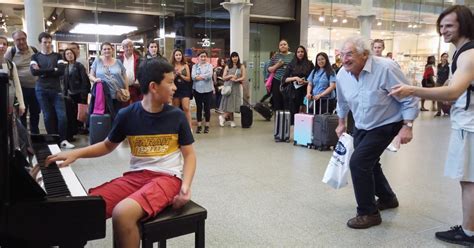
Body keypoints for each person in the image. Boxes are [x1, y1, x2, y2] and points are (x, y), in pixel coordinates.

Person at [46, 58, 196, 248]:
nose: (175, 87)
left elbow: (189, 155)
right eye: (170, 82)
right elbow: (108, 145)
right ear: (153, 86)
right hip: (136, 177)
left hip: (167, 178)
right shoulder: (127, 115)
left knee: (122, 213)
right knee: (82, 209)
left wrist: (186, 186)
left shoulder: (176, 117)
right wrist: (76, 154)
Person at [389, 5, 474, 246]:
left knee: (469, 180)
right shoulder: (462, 52)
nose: (443, 30)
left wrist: (412, 90)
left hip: (470, 125)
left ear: (464, 25)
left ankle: (469, 233)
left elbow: (452, 92)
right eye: (441, 26)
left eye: (449, 26)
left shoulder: (468, 54)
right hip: (466, 122)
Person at [335, 36, 419, 229]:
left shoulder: (386, 68)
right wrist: (341, 123)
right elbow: (342, 101)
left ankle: (368, 213)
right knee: (370, 164)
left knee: (358, 163)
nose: (345, 59)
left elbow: (409, 98)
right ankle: (388, 198)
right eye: (342, 55)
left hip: (387, 123)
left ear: (365, 54)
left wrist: (408, 126)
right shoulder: (342, 74)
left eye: (350, 54)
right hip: (362, 123)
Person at [30, 32, 74, 149]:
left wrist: (43, 71)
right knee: (48, 116)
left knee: (62, 116)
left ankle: (63, 140)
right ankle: (53, 141)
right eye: (45, 42)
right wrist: (52, 69)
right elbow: (34, 72)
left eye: (49, 42)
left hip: (56, 90)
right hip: (41, 90)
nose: (48, 44)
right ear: (40, 43)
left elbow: (60, 71)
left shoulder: (58, 56)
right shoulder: (35, 57)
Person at [5, 30, 40, 134]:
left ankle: (35, 134)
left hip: (35, 88)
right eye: (18, 40)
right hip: (20, 90)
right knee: (21, 113)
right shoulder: (11, 52)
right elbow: (5, 66)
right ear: (14, 41)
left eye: (23, 39)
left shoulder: (34, 50)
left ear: (26, 38)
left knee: (35, 112)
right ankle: (23, 137)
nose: (21, 42)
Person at [89, 42, 129, 115]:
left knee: (118, 116)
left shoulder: (118, 62)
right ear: (101, 51)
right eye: (104, 49)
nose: (107, 51)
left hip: (118, 95)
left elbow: (125, 76)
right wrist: (95, 80)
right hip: (103, 96)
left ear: (112, 50)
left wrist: (127, 90)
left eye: (108, 49)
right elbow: (91, 75)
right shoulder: (97, 61)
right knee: (105, 118)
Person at [62, 48, 91, 139]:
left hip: (80, 93)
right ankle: (75, 129)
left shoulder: (79, 66)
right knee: (72, 113)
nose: (69, 55)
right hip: (70, 94)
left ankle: (83, 128)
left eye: (70, 53)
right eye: (67, 54)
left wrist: (84, 93)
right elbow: (65, 82)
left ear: (74, 54)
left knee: (81, 112)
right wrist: (65, 93)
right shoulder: (65, 67)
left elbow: (84, 80)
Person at [281, 45, 313, 124]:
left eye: (302, 52)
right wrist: (295, 78)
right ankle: (294, 129)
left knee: (305, 112)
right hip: (294, 92)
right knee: (294, 112)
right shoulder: (291, 64)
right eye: (298, 52)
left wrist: (305, 82)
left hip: (306, 90)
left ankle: (305, 129)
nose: (300, 53)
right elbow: (284, 79)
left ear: (304, 53)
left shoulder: (310, 64)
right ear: (296, 53)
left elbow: (313, 79)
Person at [218, 52, 246, 128]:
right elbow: (223, 77)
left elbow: (243, 77)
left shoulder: (241, 66)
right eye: (233, 57)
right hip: (228, 87)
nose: (235, 58)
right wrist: (230, 76)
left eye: (236, 56)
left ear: (238, 57)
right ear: (231, 58)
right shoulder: (228, 66)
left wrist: (237, 80)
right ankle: (224, 117)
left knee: (233, 104)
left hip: (236, 87)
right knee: (229, 104)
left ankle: (230, 120)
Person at [0, 35, 25, 116]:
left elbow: (17, 85)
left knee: (7, 127)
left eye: (4, 44)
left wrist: (21, 104)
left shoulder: (11, 65)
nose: (2, 46)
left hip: (8, 103)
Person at [267, 39, 293, 111]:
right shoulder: (275, 56)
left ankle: (287, 121)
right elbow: (269, 69)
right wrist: (277, 65)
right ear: (279, 47)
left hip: (289, 82)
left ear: (288, 46)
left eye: (285, 44)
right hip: (277, 81)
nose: (283, 46)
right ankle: (278, 121)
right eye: (281, 45)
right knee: (277, 103)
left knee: (287, 103)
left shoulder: (293, 55)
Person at [191, 51, 214, 134]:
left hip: (208, 90)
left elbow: (209, 75)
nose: (203, 58)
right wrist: (203, 76)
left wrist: (199, 77)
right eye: (201, 56)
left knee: (207, 108)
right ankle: (199, 125)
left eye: (204, 56)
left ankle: (207, 125)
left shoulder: (209, 65)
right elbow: (193, 76)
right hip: (197, 90)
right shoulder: (195, 66)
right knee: (199, 108)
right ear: (198, 58)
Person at [171, 49, 192, 130]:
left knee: (186, 108)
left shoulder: (185, 65)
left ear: (182, 56)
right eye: (176, 55)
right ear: (174, 56)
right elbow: (170, 79)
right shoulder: (171, 66)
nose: (178, 56)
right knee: (176, 109)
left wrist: (181, 75)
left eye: (179, 55)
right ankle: (176, 127)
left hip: (185, 89)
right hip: (175, 89)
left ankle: (189, 127)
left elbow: (188, 79)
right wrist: (176, 74)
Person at [118, 39, 141, 103]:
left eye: (131, 46)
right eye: (126, 46)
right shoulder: (118, 59)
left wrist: (139, 79)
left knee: (136, 108)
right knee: (124, 109)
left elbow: (142, 72)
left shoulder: (139, 59)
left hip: (136, 89)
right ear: (123, 48)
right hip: (122, 89)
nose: (129, 48)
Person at [435, 52, 450, 116]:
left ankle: (446, 110)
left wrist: (446, 83)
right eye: (444, 56)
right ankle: (439, 111)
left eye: (446, 56)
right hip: (438, 82)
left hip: (445, 83)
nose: (445, 58)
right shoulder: (439, 65)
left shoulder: (448, 66)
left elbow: (449, 75)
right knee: (438, 97)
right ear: (441, 57)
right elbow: (437, 74)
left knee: (445, 97)